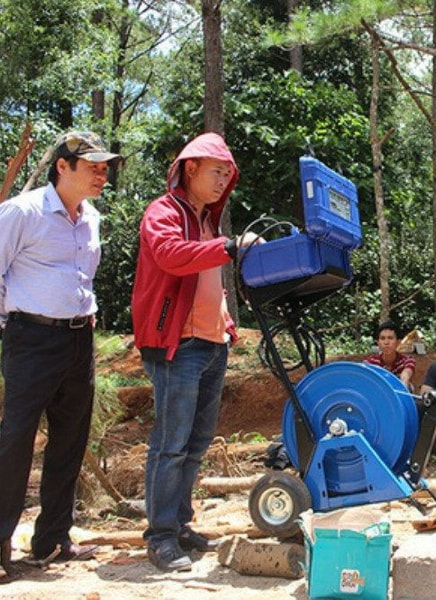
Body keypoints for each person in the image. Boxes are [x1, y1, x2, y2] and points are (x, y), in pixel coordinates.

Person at [131, 132, 260, 572]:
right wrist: (227, 247)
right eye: (216, 170)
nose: (224, 179)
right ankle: (161, 537)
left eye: (229, 173)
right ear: (190, 168)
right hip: (178, 344)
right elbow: (170, 255)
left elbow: (209, 280)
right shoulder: (163, 212)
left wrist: (225, 324)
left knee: (197, 442)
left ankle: (180, 523)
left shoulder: (208, 221)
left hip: (211, 343)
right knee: (171, 444)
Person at [0, 131, 122, 582]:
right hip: (31, 338)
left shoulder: (90, 217)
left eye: (105, 167)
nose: (101, 174)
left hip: (78, 341)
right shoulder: (22, 212)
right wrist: (11, 327)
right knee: (14, 442)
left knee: (70, 440)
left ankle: (52, 539)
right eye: (92, 166)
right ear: (62, 167)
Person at [363, 321, 416, 389]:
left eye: (390, 338)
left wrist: (404, 383)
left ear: (398, 342)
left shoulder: (407, 361)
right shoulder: (369, 363)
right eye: (382, 338)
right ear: (378, 343)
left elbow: (406, 374)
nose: (386, 342)